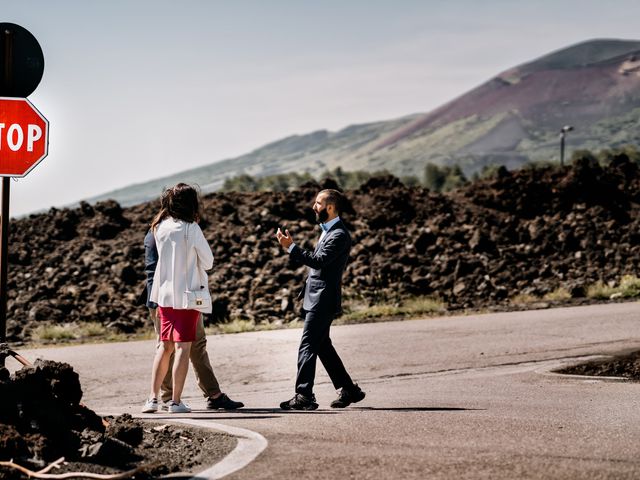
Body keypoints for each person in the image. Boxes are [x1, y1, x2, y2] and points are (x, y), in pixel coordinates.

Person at [141, 183, 242, 413]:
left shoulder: (159, 228)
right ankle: (176, 402)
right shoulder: (191, 229)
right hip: (187, 297)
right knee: (183, 349)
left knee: (163, 347)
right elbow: (208, 262)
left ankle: (152, 399)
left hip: (163, 296)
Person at [275, 189, 365, 410]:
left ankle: (304, 395)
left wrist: (292, 248)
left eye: (318, 203)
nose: (314, 207)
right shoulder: (328, 231)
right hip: (316, 297)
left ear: (330, 207)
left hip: (323, 300)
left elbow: (319, 261)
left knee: (308, 344)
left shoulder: (339, 235)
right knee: (323, 346)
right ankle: (349, 390)